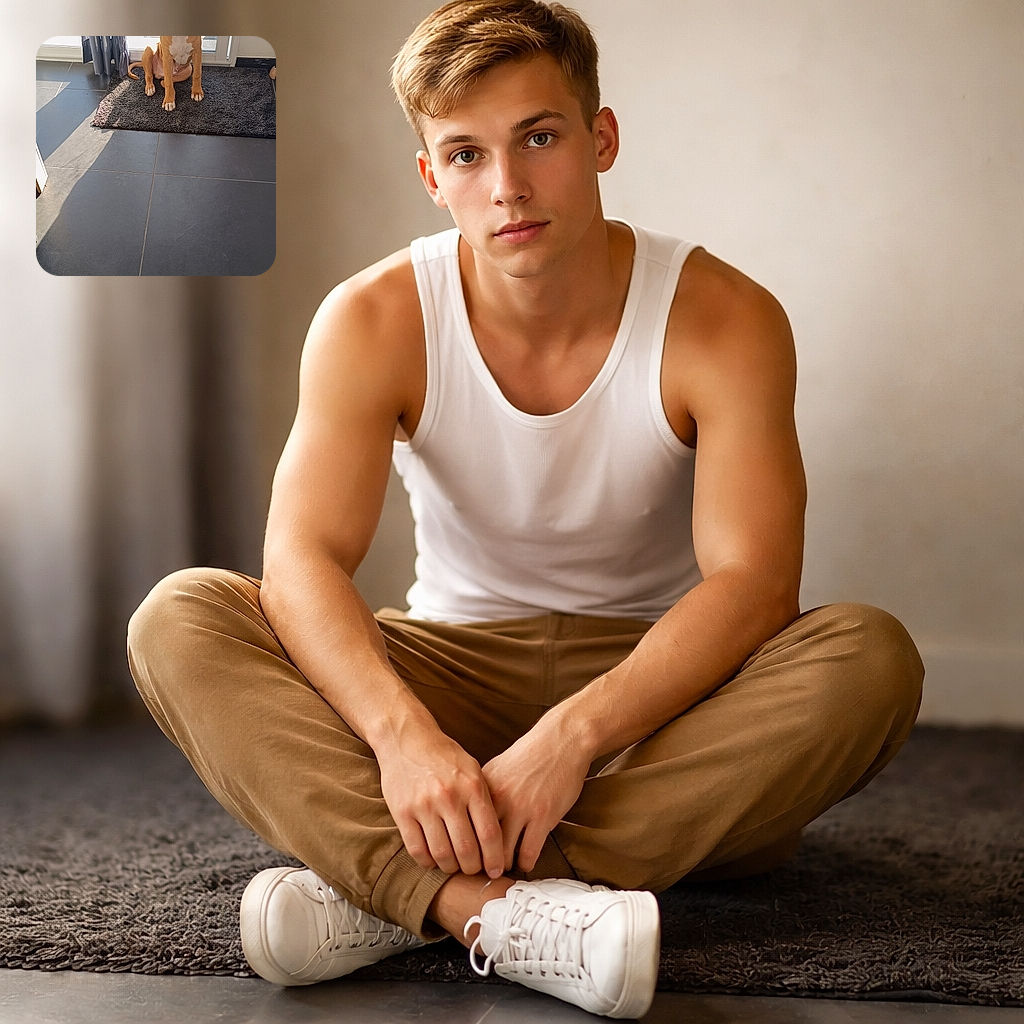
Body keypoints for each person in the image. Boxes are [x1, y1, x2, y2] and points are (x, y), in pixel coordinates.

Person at [127, 1, 924, 1018]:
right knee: (180, 615)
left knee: (870, 655)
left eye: (537, 138)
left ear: (599, 138)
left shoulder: (725, 318)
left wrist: (571, 737)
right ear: (430, 175)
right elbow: (304, 560)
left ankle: (388, 889)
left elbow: (755, 583)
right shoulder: (371, 318)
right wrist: (404, 740)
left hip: (653, 697)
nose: (505, 186)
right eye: (464, 154)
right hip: (451, 664)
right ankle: (498, 904)